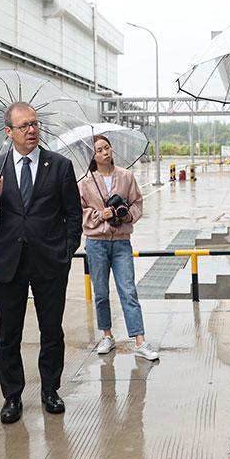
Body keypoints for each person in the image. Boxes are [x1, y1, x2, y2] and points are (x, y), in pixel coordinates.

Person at [0, 101, 82, 424]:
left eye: (34, 124)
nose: (32, 130)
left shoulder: (59, 166)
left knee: (52, 331)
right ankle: (12, 396)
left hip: (50, 262)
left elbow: (73, 214)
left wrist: (66, 252)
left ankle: (50, 390)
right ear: (9, 131)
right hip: (9, 263)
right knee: (8, 334)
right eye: (24, 126)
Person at [78, 134, 158, 361]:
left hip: (121, 241)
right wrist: (99, 215)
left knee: (128, 290)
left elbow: (137, 203)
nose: (105, 152)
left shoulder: (126, 176)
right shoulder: (84, 182)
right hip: (96, 243)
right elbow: (78, 211)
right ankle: (107, 335)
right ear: (92, 156)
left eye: (107, 147)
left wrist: (126, 215)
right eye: (99, 150)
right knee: (101, 292)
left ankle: (140, 341)